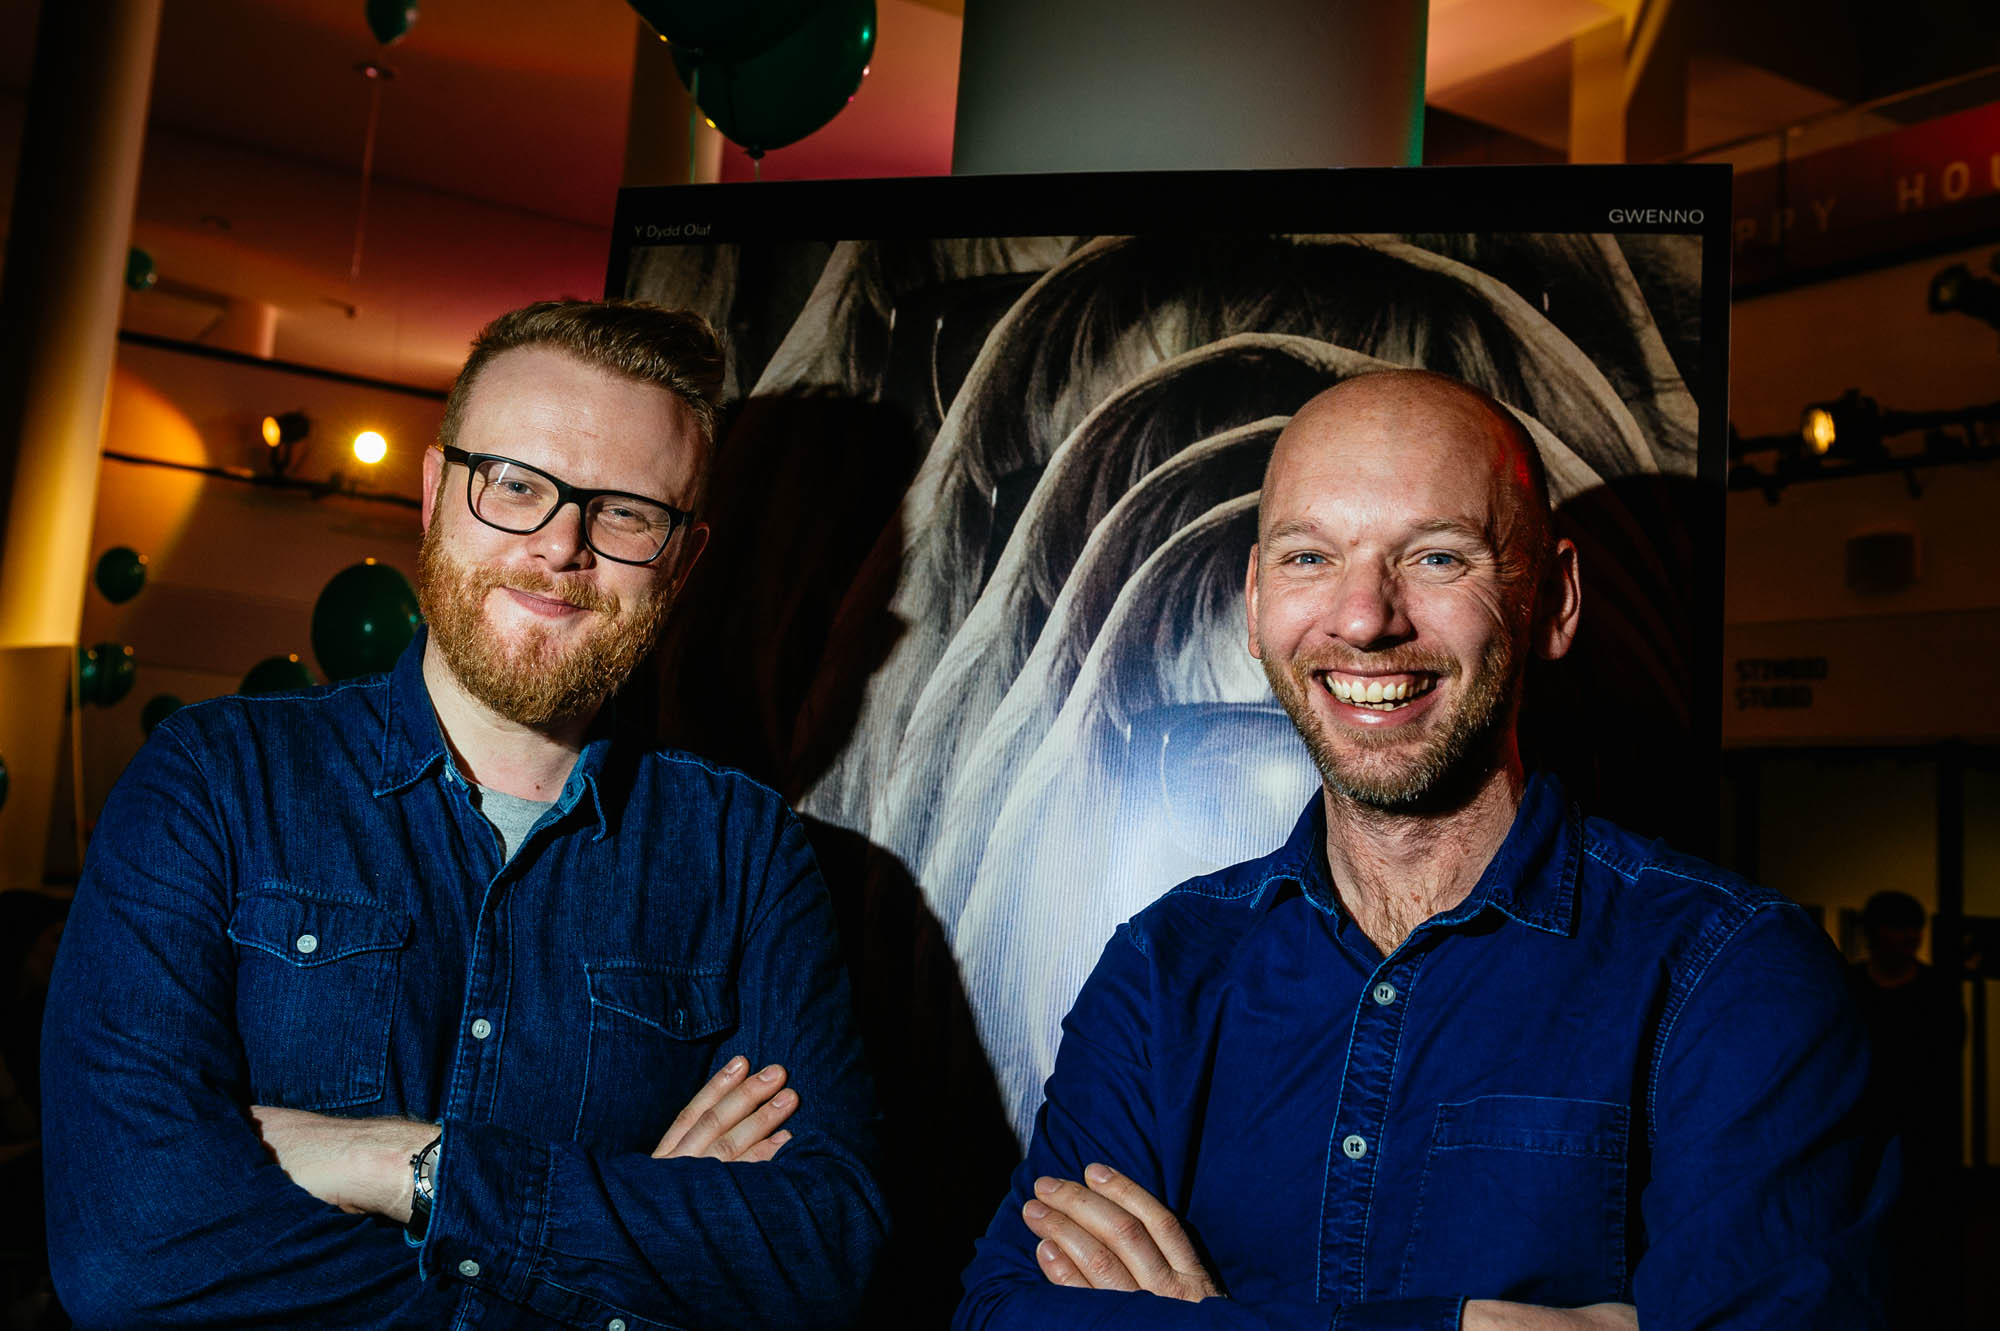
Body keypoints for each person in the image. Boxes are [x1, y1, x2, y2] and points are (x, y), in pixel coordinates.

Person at [956, 369, 1890, 1330]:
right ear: (1254, 601)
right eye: (1310, 557)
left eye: (1438, 558)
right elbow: (999, 1316)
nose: (1364, 618)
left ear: (1554, 601)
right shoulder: (1162, 971)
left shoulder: (1729, 976)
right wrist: (1457, 1326)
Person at [42, 300, 886, 1330]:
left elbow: (820, 1256)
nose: (560, 546)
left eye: (625, 511)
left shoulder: (745, 853)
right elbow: (126, 1252)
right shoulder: (214, 780)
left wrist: (406, 1167)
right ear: (438, 490)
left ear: (684, 559)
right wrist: (627, 1246)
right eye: (518, 486)